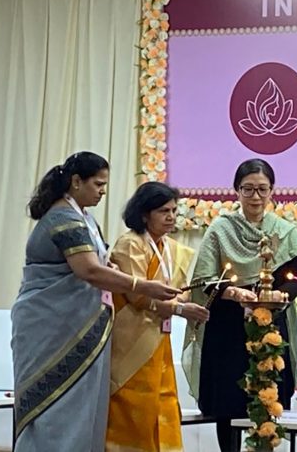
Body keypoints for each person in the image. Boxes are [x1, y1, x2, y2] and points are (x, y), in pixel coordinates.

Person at [12, 152, 179, 451]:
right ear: (76, 182)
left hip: (81, 325)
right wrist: (143, 285)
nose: (103, 191)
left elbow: (99, 264)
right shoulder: (63, 218)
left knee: (83, 410)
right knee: (54, 410)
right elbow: (87, 270)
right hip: (52, 328)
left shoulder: (84, 218)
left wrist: (114, 271)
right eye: (98, 184)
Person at [183, 158, 297, 452]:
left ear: (272, 191)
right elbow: (204, 279)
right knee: (228, 402)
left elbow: (293, 279)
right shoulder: (221, 229)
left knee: (268, 397)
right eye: (248, 189)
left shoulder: (284, 231)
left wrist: (280, 296)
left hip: (270, 325)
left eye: (262, 189)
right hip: (228, 328)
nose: (255, 197)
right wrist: (235, 293)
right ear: (236, 191)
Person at [106, 182, 210, 452]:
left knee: (163, 405)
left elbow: (177, 291)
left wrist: (192, 301)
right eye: (164, 211)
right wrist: (179, 309)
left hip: (158, 340)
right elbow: (137, 296)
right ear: (144, 214)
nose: (171, 217)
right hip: (130, 341)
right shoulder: (130, 244)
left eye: (174, 210)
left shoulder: (170, 247)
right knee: (133, 409)